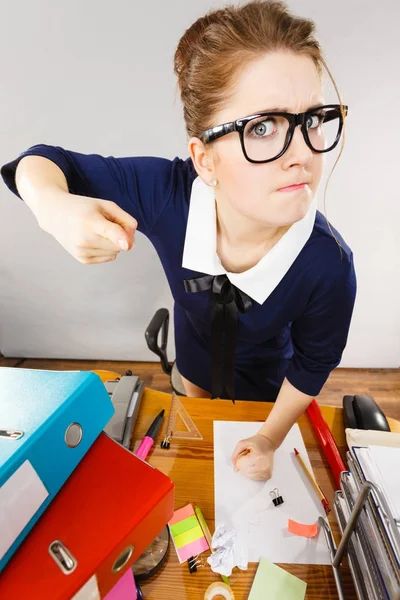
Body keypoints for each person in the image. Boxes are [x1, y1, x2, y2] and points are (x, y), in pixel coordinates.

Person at [1, 0, 356, 482]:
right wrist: (54, 208)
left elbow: (315, 362)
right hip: (192, 362)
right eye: (263, 127)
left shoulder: (329, 265)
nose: (303, 155)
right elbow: (43, 160)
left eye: (312, 119)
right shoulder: (167, 195)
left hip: (270, 383)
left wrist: (269, 437)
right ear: (204, 160)